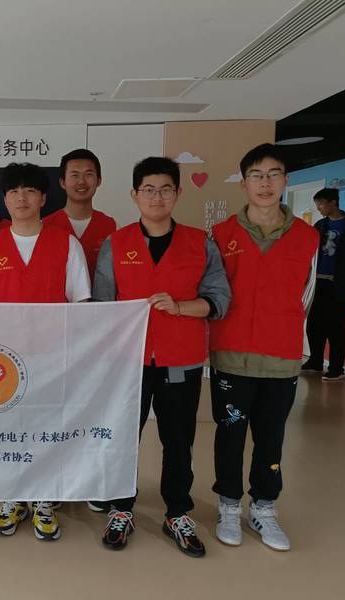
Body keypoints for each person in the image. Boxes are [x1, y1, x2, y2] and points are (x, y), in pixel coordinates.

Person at [92, 156, 230, 557]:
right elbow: (102, 305)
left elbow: (219, 299)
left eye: (165, 189)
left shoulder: (200, 243)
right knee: (123, 438)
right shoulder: (117, 243)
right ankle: (121, 508)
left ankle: (177, 512)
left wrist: (181, 307)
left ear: (178, 193)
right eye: (148, 190)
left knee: (178, 440)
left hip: (180, 359)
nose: (157, 197)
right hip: (129, 363)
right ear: (134, 194)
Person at [0, 162, 91, 541]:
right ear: (5, 199)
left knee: (47, 428)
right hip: (3, 362)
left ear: (43, 198)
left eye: (29, 190)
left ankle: (44, 498)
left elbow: (81, 305)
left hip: (54, 359)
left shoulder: (66, 244)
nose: (21, 198)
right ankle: (13, 495)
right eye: (13, 191)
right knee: (8, 430)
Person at [209, 143, 318, 552]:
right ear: (244, 183)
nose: (265, 183)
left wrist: (289, 336)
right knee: (230, 435)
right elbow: (215, 292)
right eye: (256, 175)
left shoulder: (307, 237)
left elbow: (306, 297)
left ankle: (264, 507)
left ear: (285, 180)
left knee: (271, 438)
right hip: (231, 353)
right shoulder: (221, 235)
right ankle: (228, 505)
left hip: (280, 356)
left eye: (273, 174)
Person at [301, 187, 345, 381]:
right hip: (317, 282)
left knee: (336, 327)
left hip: (339, 283)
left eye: (321, 204)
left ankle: (337, 368)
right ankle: (315, 361)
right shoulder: (320, 225)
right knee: (314, 324)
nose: (319, 208)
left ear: (333, 202)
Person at [43, 148, 116, 283]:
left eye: (88, 174)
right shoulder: (44, 226)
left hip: (101, 296)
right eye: (75, 175)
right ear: (62, 182)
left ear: (99, 181)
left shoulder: (113, 227)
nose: (81, 182)